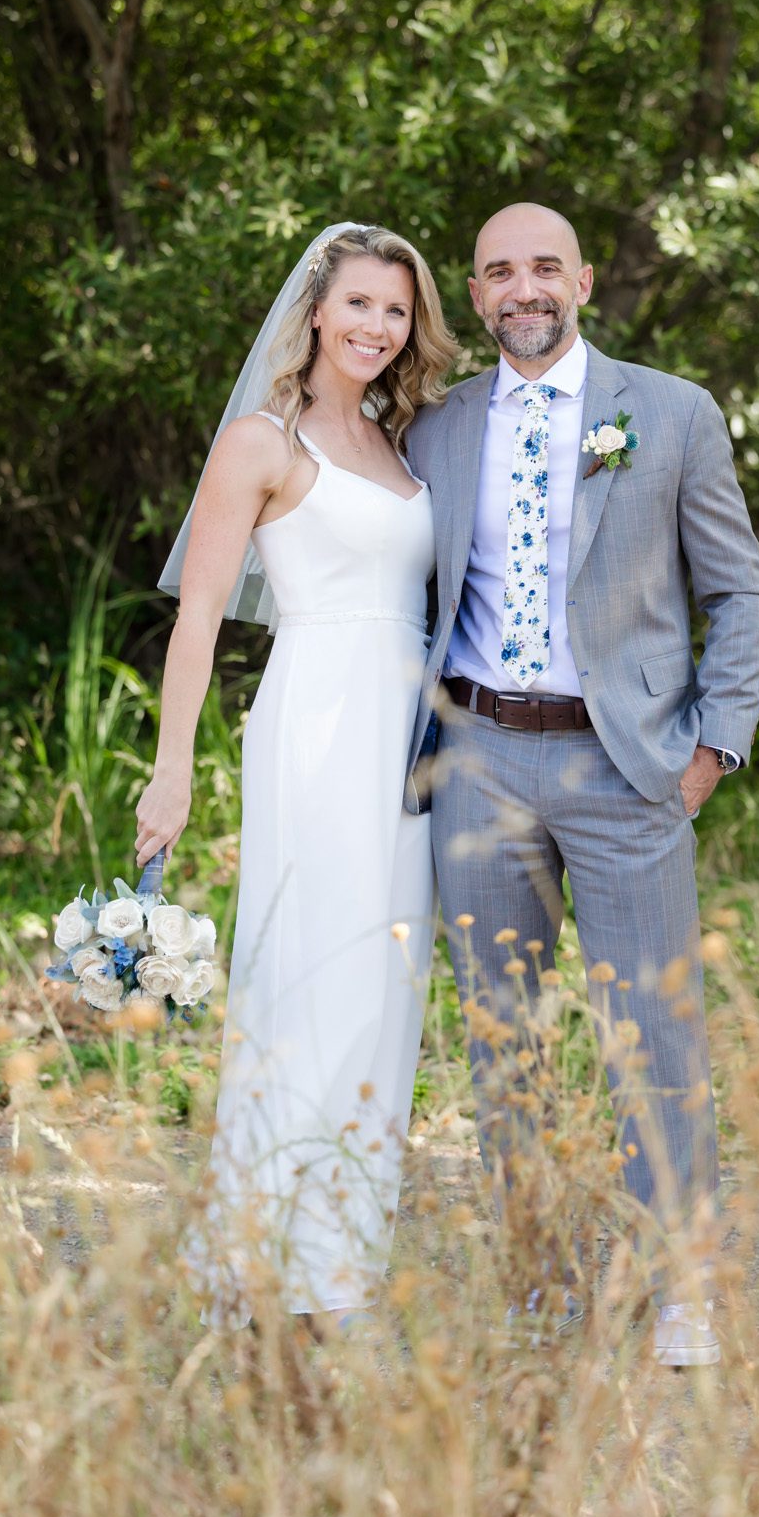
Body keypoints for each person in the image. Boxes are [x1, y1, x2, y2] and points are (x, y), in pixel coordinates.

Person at [403, 202, 759, 1367]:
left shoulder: (668, 412)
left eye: (544, 266)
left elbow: (741, 593)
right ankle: (534, 1274)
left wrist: (713, 748)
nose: (524, 287)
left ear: (585, 280)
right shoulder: (437, 427)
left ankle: (679, 1288)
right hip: (479, 760)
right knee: (500, 1034)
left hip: (630, 766)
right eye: (499, 270)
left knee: (653, 1030)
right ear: (474, 294)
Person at [136, 223, 457, 1327]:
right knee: (313, 978)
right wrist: (169, 769)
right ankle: (258, 1258)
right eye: (360, 303)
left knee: (386, 981)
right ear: (317, 308)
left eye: (397, 311)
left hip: (410, 734)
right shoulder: (259, 443)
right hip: (316, 718)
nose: (377, 325)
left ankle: (340, 1261)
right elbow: (197, 625)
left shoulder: (402, 440)